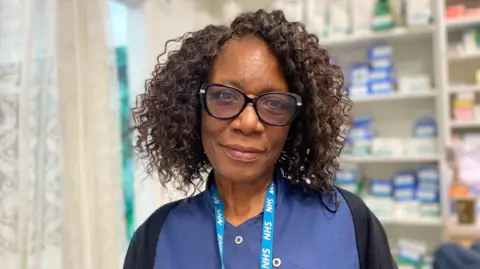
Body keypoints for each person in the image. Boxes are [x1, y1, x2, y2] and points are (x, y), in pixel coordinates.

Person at [124, 9, 397, 269]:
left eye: (274, 103)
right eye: (224, 97)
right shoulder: (156, 237)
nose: (248, 122)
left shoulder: (347, 220)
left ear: (296, 123)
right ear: (193, 111)